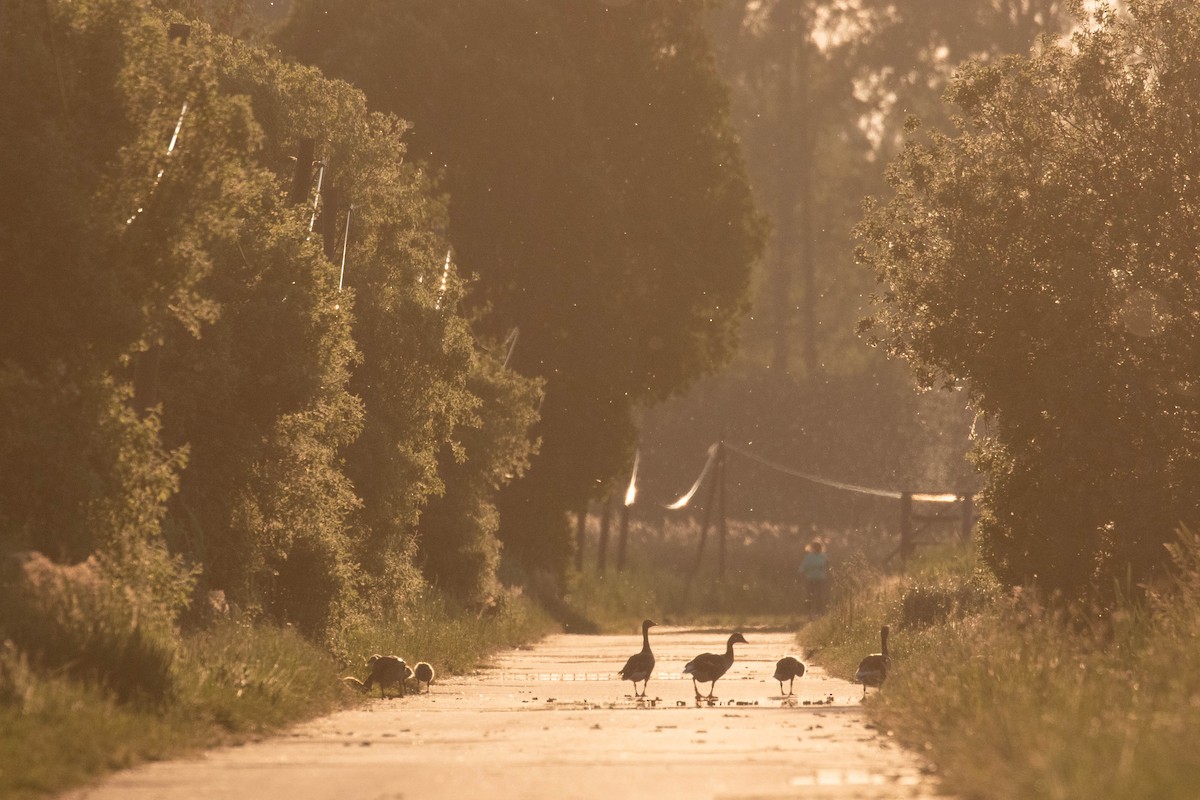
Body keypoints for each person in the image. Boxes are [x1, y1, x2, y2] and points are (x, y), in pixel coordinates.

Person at [799, 539, 830, 613]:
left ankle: (819, 611)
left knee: (820, 596)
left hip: (821, 579)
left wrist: (828, 575)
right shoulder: (808, 557)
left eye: (818, 547)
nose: (817, 548)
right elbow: (803, 567)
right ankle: (809, 611)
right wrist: (802, 575)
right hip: (810, 579)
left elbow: (828, 566)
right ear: (812, 547)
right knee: (809, 596)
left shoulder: (824, 556)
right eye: (815, 547)